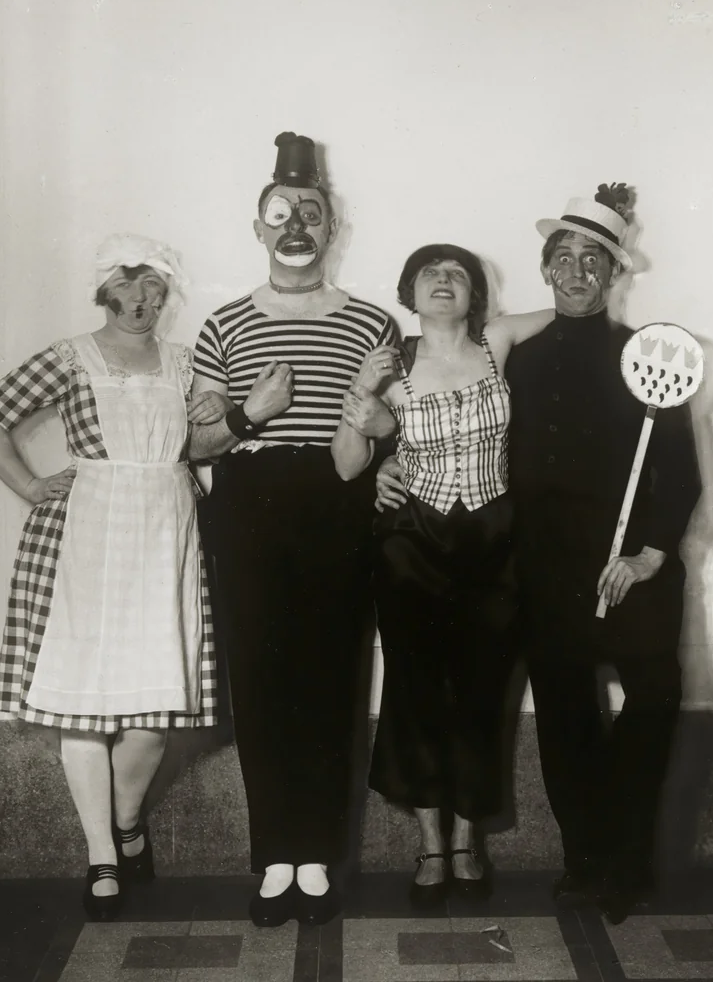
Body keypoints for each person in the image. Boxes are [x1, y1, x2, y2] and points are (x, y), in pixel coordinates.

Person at [378, 189, 702, 925]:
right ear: (545, 268)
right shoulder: (512, 354)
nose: (577, 271)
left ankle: (627, 859)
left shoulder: (645, 358)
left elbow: (678, 470)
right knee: (563, 717)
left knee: (651, 701)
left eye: (593, 260)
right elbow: (442, 421)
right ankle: (583, 862)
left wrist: (649, 554)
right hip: (544, 571)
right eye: (564, 258)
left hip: (632, 569)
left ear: (613, 272)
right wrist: (385, 469)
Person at [0, 235, 224, 920]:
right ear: (104, 292)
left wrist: (214, 412)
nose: (141, 301)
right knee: (80, 704)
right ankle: (101, 854)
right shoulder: (69, 356)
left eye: (154, 290)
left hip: (166, 532)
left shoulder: (185, 362)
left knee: (151, 714)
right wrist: (26, 483)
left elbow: (203, 443)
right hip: (86, 533)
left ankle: (129, 821)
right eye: (128, 288)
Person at [190, 132, 397, 927]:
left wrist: (377, 434)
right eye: (281, 215)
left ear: (331, 226)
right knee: (261, 676)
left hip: (335, 500)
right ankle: (275, 859)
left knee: (332, 672)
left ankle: (317, 859)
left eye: (310, 213)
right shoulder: (225, 323)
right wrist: (249, 414)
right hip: (248, 503)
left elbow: (389, 425)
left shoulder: (372, 322)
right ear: (259, 228)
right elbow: (196, 442)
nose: (296, 228)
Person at [333, 243, 553, 906]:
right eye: (428, 273)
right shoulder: (390, 359)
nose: (442, 281)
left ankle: (467, 842)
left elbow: (575, 311)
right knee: (417, 690)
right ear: (408, 289)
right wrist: (361, 398)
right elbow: (346, 464)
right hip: (413, 545)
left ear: (474, 292)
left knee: (483, 692)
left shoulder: (498, 340)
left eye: (456, 273)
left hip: (493, 543)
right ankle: (430, 846)